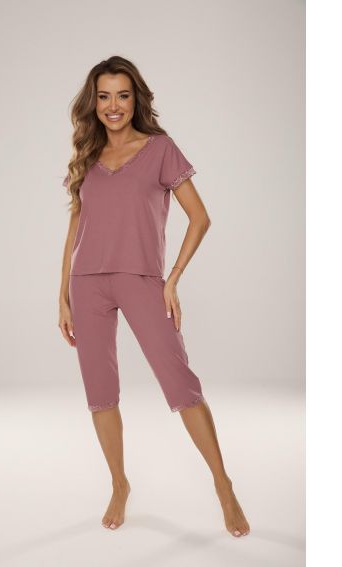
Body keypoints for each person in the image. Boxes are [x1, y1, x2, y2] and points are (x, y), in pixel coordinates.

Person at [58, 55, 250, 538]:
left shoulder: (160, 149)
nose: (113, 106)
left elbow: (200, 218)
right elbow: (75, 227)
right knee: (100, 393)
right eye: (104, 96)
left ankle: (223, 485)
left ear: (135, 99)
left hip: (142, 279)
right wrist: (62, 295)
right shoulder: (87, 154)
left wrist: (173, 279)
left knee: (181, 385)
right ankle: (119, 484)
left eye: (122, 95)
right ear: (93, 102)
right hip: (87, 282)